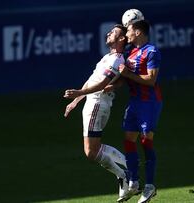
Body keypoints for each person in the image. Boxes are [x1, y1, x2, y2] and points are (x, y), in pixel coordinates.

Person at [63, 24, 130, 200]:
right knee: (94, 150)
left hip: (98, 103)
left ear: (122, 38)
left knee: (91, 153)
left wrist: (80, 93)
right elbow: (92, 80)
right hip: (92, 102)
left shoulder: (118, 60)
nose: (108, 33)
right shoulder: (107, 57)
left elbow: (101, 86)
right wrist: (77, 100)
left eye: (113, 32)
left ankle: (127, 173)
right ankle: (128, 172)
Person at [115, 20, 162, 203]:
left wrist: (127, 74)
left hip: (149, 102)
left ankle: (150, 186)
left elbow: (151, 80)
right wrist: (115, 86)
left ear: (138, 32)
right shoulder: (130, 52)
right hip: (134, 102)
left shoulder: (152, 51)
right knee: (128, 139)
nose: (127, 34)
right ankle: (134, 181)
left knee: (145, 139)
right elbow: (126, 78)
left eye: (129, 30)